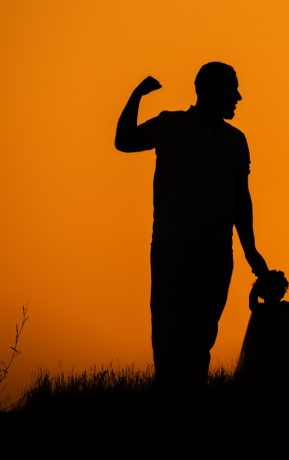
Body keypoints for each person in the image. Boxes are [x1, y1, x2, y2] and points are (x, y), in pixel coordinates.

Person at [114, 62, 269, 399]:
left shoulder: (236, 140)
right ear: (210, 91)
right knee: (169, 334)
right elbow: (124, 141)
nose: (238, 97)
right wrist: (136, 95)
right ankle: (169, 401)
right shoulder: (173, 125)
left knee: (201, 336)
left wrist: (250, 250)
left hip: (216, 250)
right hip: (174, 246)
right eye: (232, 90)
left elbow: (241, 199)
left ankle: (190, 403)